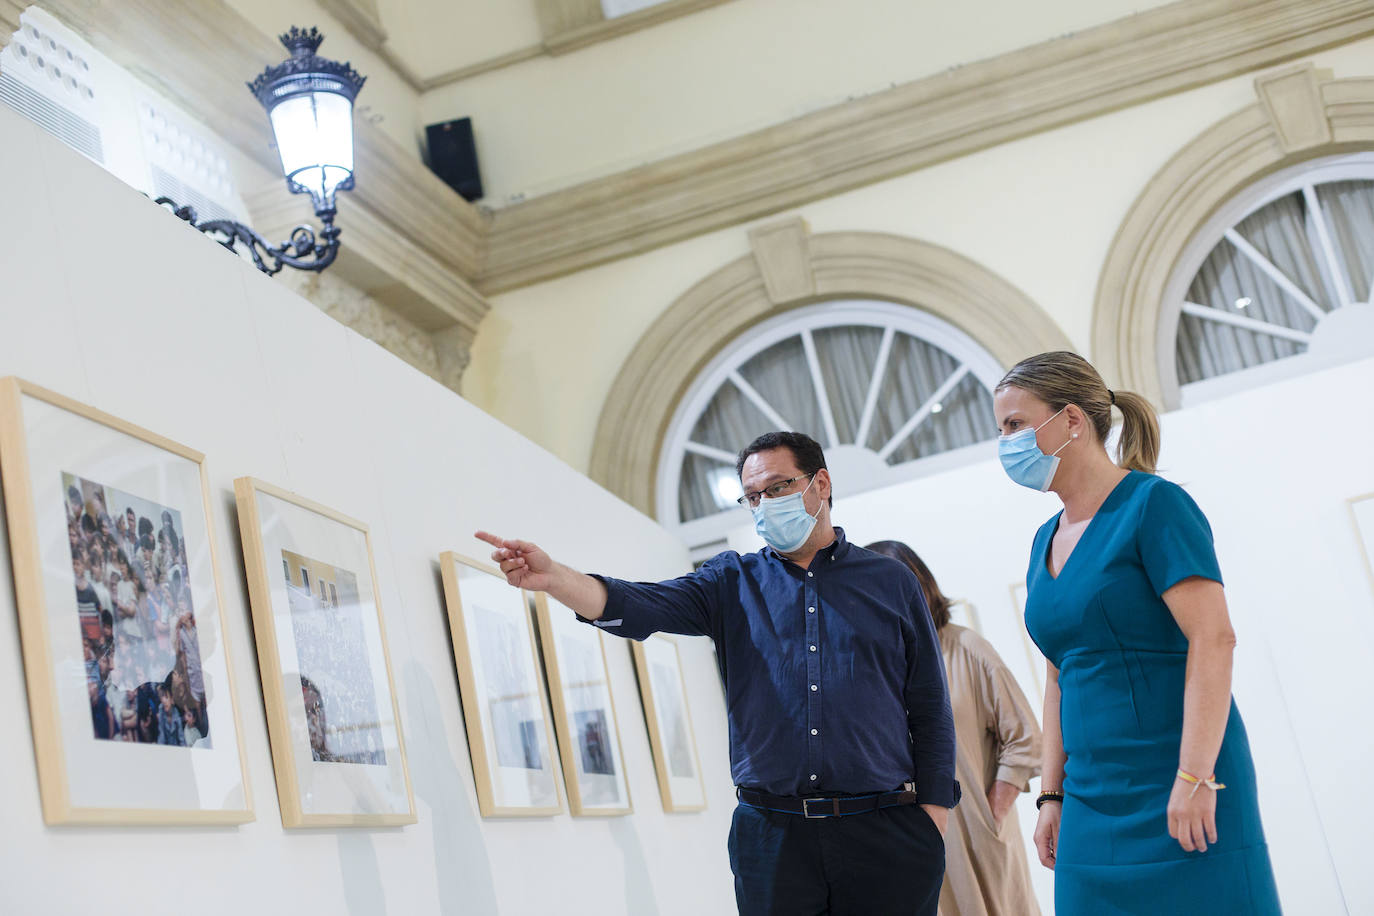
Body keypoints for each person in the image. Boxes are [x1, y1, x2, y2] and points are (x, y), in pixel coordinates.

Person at [478, 430, 957, 916]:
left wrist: (932, 820)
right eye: (752, 497)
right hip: (773, 837)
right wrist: (556, 577)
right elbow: (642, 604)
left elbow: (929, 707)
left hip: (885, 831)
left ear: (822, 484)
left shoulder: (890, 581)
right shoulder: (731, 580)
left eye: (777, 487)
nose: (764, 504)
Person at [993, 351, 1280, 914]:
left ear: (1071, 420)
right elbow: (1059, 675)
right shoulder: (1042, 541)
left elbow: (1214, 638)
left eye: (1014, 425)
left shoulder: (1155, 506)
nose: (1004, 443)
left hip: (1181, 778)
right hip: (1090, 802)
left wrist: (1196, 775)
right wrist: (1052, 794)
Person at [865, 540, 1043, 916]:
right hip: (911, 838)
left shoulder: (966, 648)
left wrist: (994, 810)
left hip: (977, 831)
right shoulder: (869, 671)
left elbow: (1025, 738)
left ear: (921, 585)